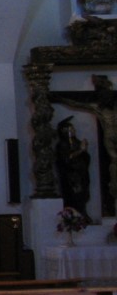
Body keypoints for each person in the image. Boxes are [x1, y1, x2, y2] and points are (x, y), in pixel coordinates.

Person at [54, 74, 117, 204]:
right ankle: (113, 188)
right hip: (109, 137)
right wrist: (60, 98)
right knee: (114, 160)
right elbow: (76, 103)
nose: (108, 99)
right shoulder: (98, 109)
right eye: (106, 97)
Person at [55, 117, 91, 217]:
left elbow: (86, 158)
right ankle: (74, 215)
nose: (74, 131)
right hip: (71, 177)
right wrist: (80, 150)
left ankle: (82, 213)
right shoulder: (62, 145)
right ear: (65, 132)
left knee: (83, 195)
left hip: (81, 174)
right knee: (75, 195)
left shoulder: (77, 142)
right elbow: (66, 159)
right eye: (71, 129)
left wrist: (84, 151)